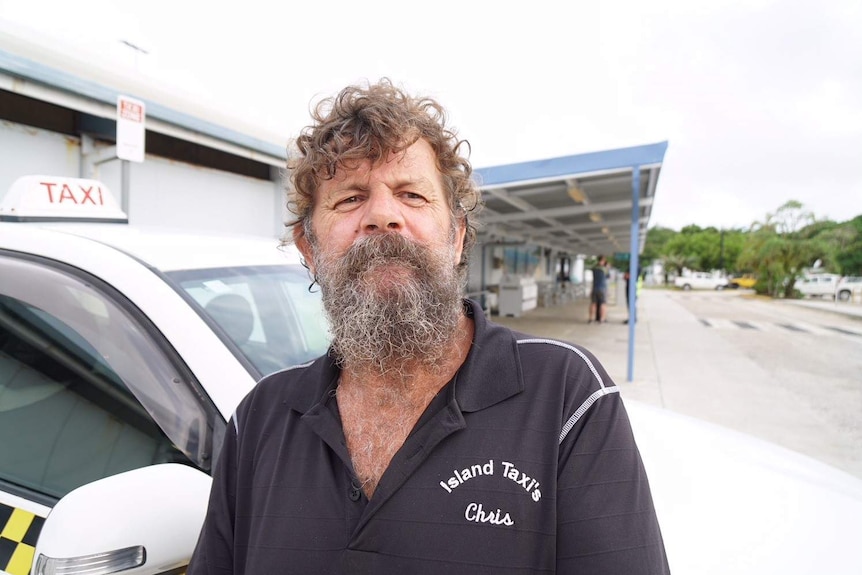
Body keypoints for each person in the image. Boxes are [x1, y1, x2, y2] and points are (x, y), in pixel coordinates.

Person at [187, 79, 669, 574]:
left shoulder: (565, 396)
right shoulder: (260, 420)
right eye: (350, 199)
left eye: (411, 194)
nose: (381, 216)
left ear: (457, 237)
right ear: (309, 249)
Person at [589, 255, 609, 323]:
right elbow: (608, 276)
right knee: (603, 304)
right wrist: (607, 267)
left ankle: (591, 318)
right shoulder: (604, 269)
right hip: (602, 289)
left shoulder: (594, 268)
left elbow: (593, 267)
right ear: (603, 260)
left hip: (594, 288)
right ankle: (602, 319)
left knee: (593, 303)